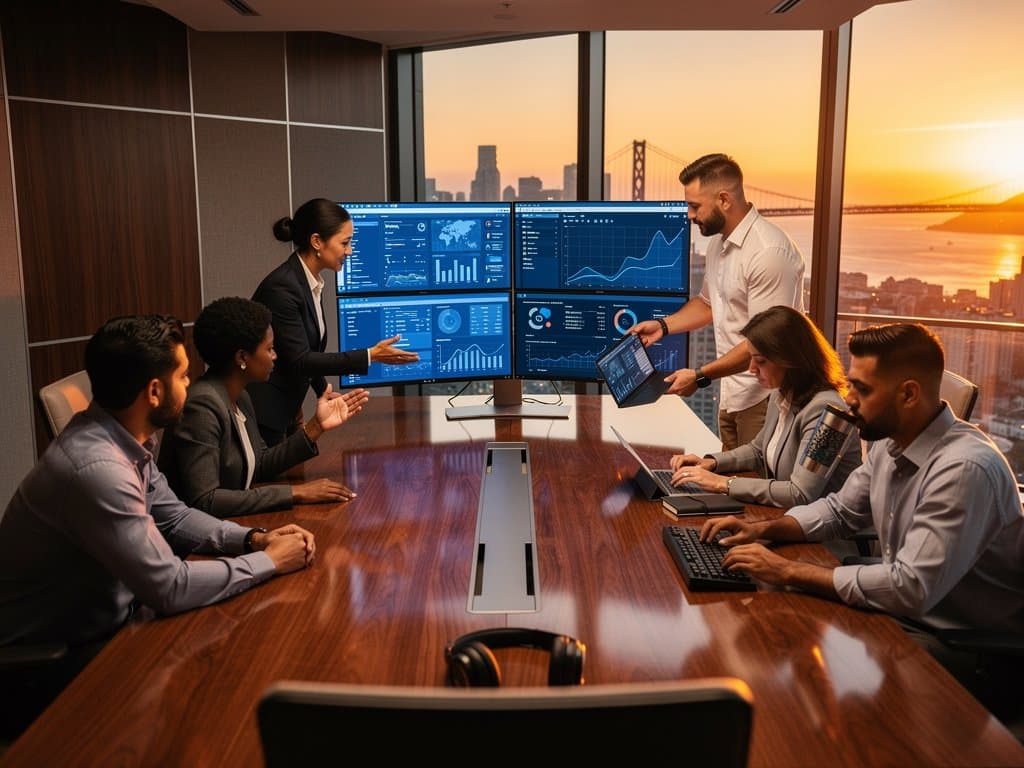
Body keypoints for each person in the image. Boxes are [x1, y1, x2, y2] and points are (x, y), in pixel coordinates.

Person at [0, 315, 316, 738]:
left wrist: (254, 538)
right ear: (153, 391)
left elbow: (175, 514)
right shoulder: (100, 469)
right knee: (229, 705)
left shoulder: (123, 437)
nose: (192, 385)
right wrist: (268, 562)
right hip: (55, 666)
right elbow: (168, 587)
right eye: (184, 376)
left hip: (114, 624)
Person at [701, 322, 1024, 718]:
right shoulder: (893, 444)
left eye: (863, 390)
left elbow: (909, 586)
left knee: (801, 678)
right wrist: (763, 529)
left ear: (908, 394)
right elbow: (840, 509)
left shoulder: (965, 468)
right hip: (914, 619)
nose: (849, 398)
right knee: (781, 641)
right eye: (852, 384)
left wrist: (787, 570)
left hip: (970, 651)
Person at [630, 153, 805, 451]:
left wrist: (699, 377)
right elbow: (707, 304)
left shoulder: (768, 253)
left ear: (724, 199)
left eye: (694, 206)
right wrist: (662, 326)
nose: (689, 215)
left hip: (766, 396)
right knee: (729, 485)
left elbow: (765, 343)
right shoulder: (718, 244)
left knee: (755, 489)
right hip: (733, 392)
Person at [158, 297, 371, 518]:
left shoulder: (240, 396)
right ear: (242, 357)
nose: (275, 356)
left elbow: (260, 464)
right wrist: (295, 493)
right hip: (192, 547)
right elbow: (205, 500)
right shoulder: (202, 407)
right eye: (269, 349)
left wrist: (316, 426)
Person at [250, 198, 420, 445]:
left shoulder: (310, 282)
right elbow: (300, 360)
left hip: (285, 411)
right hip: (266, 413)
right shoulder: (282, 288)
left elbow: (303, 350)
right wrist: (371, 355)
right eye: (345, 243)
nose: (349, 251)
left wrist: (323, 391)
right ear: (317, 241)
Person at [668, 305, 861, 507]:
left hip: (824, 536)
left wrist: (723, 483)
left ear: (790, 359)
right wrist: (711, 462)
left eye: (760, 361)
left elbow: (801, 493)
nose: (751, 369)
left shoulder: (829, 413)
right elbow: (757, 450)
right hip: (791, 521)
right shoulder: (782, 393)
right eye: (751, 358)